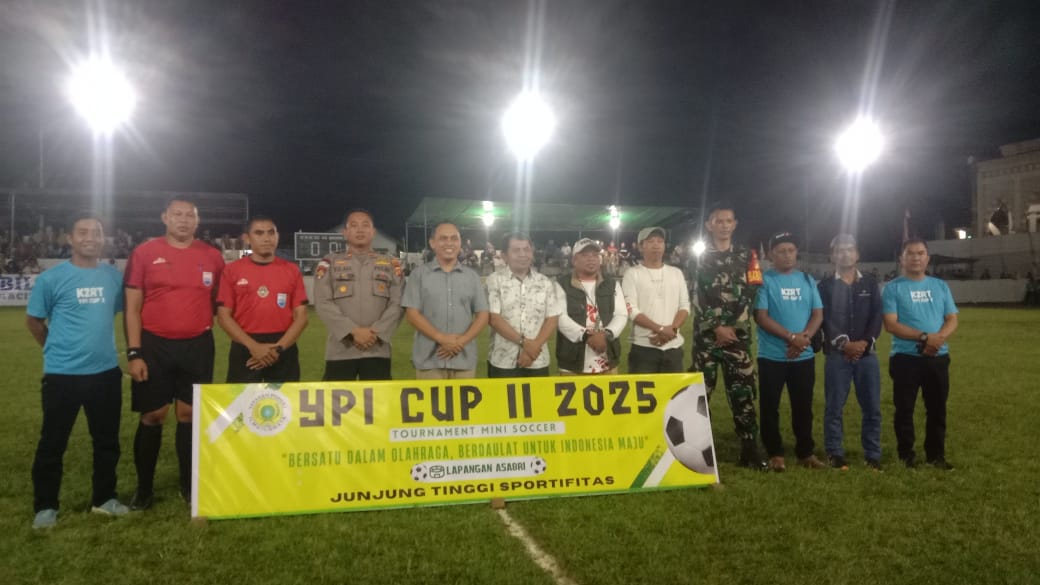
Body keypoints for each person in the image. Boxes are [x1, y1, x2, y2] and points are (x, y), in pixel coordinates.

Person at [26, 213, 128, 528]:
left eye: (96, 232)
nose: (90, 238)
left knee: (107, 442)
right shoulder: (51, 279)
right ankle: (46, 506)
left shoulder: (113, 277)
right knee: (52, 443)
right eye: (82, 232)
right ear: (70, 239)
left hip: (105, 373)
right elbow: (34, 320)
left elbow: (117, 312)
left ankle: (104, 499)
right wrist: (54, 349)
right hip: (62, 376)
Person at [124, 197, 225, 508]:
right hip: (154, 345)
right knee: (153, 415)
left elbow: (220, 302)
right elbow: (132, 308)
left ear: (197, 221)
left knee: (189, 414)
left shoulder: (212, 256)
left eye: (189, 215)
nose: (183, 220)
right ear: (164, 217)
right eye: (177, 214)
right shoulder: (144, 253)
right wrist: (134, 353)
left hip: (198, 346)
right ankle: (144, 489)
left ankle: (189, 485)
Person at [688, 203, 766, 469]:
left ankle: (749, 448)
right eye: (718, 221)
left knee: (743, 392)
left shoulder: (748, 256)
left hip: (737, 338)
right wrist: (716, 327)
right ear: (709, 225)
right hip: (706, 340)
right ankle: (696, 448)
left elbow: (752, 292)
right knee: (700, 394)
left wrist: (733, 326)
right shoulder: (697, 258)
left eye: (728, 221)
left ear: (735, 225)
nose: (723, 225)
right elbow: (695, 295)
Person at [882, 238, 959, 470]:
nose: (916, 257)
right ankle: (906, 455)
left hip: (937, 357)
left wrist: (938, 339)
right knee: (904, 409)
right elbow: (891, 325)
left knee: (937, 409)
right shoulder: (893, 288)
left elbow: (952, 319)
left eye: (920, 253)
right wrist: (925, 337)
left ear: (928, 258)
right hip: (906, 358)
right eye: (910, 253)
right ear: (902, 259)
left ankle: (936, 455)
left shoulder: (940, 286)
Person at [754, 231, 824, 471]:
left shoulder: (807, 279)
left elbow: (818, 314)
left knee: (803, 406)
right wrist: (791, 338)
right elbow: (762, 317)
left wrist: (804, 339)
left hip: (803, 356)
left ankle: (806, 453)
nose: (787, 255)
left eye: (791, 250)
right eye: (781, 251)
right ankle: (775, 453)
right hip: (772, 355)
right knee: (769, 407)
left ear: (796, 253)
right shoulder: (765, 281)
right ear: (771, 255)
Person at [817, 234, 883, 471]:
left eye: (849, 249)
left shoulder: (870, 283)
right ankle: (834, 452)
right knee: (834, 407)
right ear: (832, 256)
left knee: (872, 408)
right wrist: (845, 344)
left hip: (867, 356)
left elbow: (877, 316)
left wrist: (864, 343)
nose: (845, 254)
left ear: (857, 254)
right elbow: (823, 318)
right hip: (837, 356)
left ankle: (873, 455)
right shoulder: (824, 287)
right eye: (840, 250)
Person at [216, 216, 309, 383]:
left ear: (277, 236)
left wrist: (278, 349)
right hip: (244, 345)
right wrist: (253, 347)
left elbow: (301, 317)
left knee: (285, 399)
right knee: (243, 399)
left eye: (271, 233)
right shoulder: (232, 270)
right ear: (247, 238)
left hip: (283, 345)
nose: (266, 238)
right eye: (259, 233)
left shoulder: (292, 270)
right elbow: (223, 317)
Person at [315, 210, 403, 380]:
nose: (360, 230)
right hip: (340, 350)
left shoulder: (391, 264)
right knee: (338, 398)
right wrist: (352, 331)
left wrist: (376, 332)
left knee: (378, 398)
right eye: (354, 225)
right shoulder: (330, 263)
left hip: (377, 350)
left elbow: (398, 303)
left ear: (373, 232)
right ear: (345, 232)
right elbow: (323, 302)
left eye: (365, 225)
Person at [403, 222, 488, 379]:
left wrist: (460, 342)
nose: (449, 243)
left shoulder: (472, 277)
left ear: (460, 243)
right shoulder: (418, 275)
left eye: (454, 238)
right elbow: (412, 314)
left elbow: (482, 315)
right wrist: (441, 338)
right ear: (432, 243)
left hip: (464, 360)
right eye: (443, 238)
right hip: (429, 361)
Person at [485, 232, 562, 377]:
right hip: (503, 361)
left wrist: (534, 347)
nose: (523, 254)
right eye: (516, 250)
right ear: (504, 256)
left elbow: (552, 319)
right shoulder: (494, 281)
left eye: (526, 249)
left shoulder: (545, 282)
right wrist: (525, 343)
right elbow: (494, 318)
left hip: (537, 360)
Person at [621, 226, 690, 373]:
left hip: (673, 346)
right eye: (651, 241)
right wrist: (660, 329)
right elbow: (631, 309)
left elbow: (684, 306)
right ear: (641, 246)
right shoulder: (632, 274)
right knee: (643, 389)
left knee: (674, 389)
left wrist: (672, 330)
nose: (656, 245)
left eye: (660, 241)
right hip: (643, 347)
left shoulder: (676, 273)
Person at [555, 238, 627, 374]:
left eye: (595, 255)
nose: (591, 259)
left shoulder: (612, 284)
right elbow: (559, 317)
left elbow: (621, 314)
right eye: (585, 255)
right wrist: (586, 336)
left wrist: (606, 335)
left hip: (607, 359)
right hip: (572, 361)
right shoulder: (561, 284)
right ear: (574, 260)